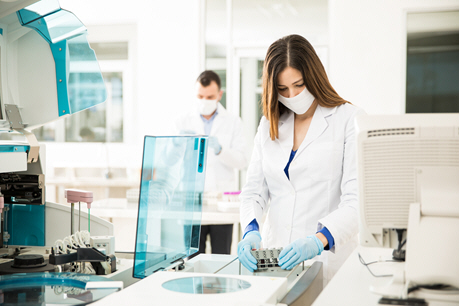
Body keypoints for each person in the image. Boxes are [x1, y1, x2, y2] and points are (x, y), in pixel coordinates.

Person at [237, 34, 365, 285]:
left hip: (326, 261)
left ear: (314, 77)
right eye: (283, 89)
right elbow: (254, 191)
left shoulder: (349, 119)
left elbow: (357, 200)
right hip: (275, 259)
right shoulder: (269, 124)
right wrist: (251, 229)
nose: (292, 95)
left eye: (299, 84)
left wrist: (319, 239)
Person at [176, 70, 248, 254]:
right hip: (192, 202)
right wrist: (177, 144)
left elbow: (242, 161)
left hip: (221, 204)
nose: (204, 100)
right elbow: (171, 161)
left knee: (220, 262)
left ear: (219, 95)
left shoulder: (233, 121)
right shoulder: (183, 120)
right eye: (200, 96)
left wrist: (220, 150)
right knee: (191, 262)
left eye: (210, 96)